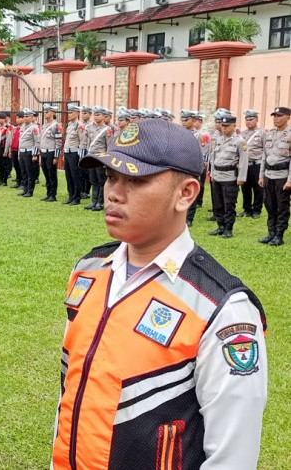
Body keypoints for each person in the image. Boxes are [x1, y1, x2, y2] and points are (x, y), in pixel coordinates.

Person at [53, 118, 267, 469]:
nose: (114, 193)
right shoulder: (89, 270)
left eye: (136, 180)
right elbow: (71, 393)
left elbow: (232, 457)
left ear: (186, 194)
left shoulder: (222, 309)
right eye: (111, 177)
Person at [208, 113, 248, 238]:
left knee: (229, 204)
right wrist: (212, 173)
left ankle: (228, 229)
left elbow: (243, 161)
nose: (223, 128)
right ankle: (220, 226)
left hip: (230, 177)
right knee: (218, 204)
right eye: (222, 125)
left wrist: (241, 178)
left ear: (234, 126)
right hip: (217, 176)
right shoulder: (218, 139)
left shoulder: (240, 141)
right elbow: (213, 158)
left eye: (226, 126)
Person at [258, 106, 291, 246]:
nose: (276, 119)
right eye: (274, 116)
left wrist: (290, 180)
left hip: (282, 176)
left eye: (279, 116)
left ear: (288, 117)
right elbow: (264, 157)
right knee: (269, 205)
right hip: (269, 175)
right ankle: (271, 233)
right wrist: (261, 176)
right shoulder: (269, 134)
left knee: (281, 207)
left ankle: (279, 235)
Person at [239, 110, 264, 219]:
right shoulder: (242, 134)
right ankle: (247, 209)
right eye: (247, 119)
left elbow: (265, 150)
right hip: (245, 165)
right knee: (245, 188)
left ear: (256, 120)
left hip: (257, 164)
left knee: (258, 188)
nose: (248, 122)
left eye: (251, 119)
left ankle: (257, 210)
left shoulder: (262, 133)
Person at [62, 105, 86, 205]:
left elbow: (83, 141)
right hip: (67, 152)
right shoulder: (69, 125)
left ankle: (76, 197)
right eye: (68, 113)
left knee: (75, 176)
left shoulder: (79, 125)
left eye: (71, 113)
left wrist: (81, 156)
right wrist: (64, 153)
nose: (69, 115)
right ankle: (70, 196)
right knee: (68, 176)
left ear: (77, 113)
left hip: (74, 153)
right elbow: (67, 140)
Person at [38, 105, 61, 202]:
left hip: (51, 153)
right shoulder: (44, 125)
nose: (45, 113)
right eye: (45, 111)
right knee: (46, 174)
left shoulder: (56, 126)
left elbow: (58, 142)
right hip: (43, 152)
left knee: (52, 174)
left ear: (52, 113)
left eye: (47, 112)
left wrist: (56, 156)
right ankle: (48, 193)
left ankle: (53, 195)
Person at [17, 108, 39, 197]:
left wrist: (34, 154)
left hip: (29, 152)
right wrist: (19, 153)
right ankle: (25, 189)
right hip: (22, 152)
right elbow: (20, 141)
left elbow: (36, 142)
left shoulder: (34, 128)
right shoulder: (22, 127)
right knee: (24, 172)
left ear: (31, 117)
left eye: (27, 116)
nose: (25, 118)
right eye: (24, 116)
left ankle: (30, 190)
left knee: (30, 172)